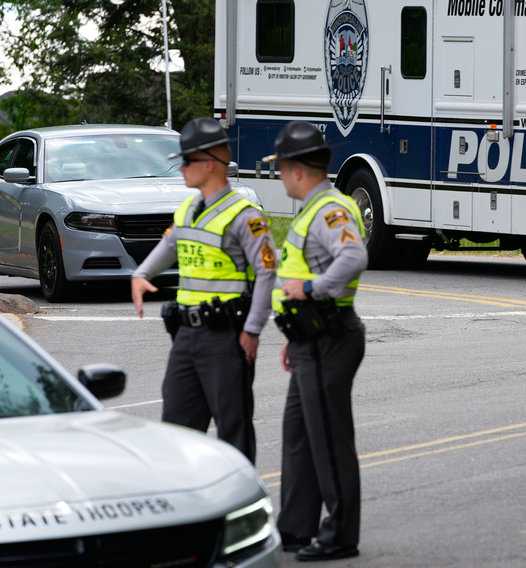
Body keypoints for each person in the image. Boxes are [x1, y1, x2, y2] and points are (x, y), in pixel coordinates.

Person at [131, 117, 276, 463]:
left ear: (209, 164)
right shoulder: (189, 209)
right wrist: (141, 274)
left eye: (186, 161)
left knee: (233, 429)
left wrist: (253, 331)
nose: (180, 169)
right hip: (186, 337)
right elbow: (170, 244)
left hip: (226, 337)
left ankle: (238, 509)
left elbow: (267, 272)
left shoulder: (245, 215)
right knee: (177, 428)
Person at [268, 121, 368, 562]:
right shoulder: (312, 209)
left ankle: (341, 534)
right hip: (310, 337)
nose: (280, 175)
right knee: (299, 433)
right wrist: (294, 335)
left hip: (330, 336)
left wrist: (311, 291)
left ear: (296, 169)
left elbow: (354, 256)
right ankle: (294, 527)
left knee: (327, 437)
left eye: (282, 167)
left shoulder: (330, 210)